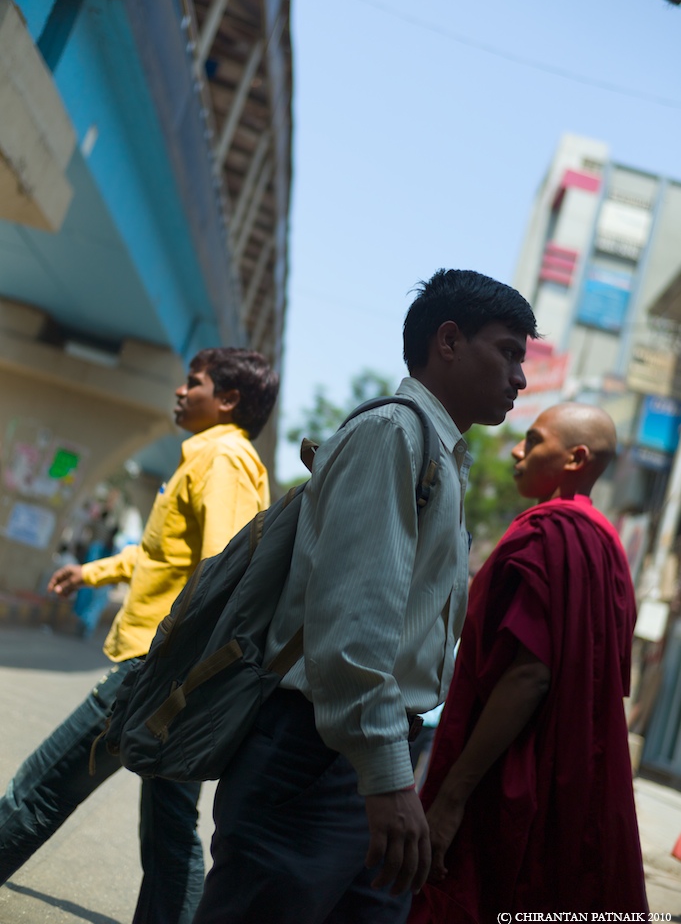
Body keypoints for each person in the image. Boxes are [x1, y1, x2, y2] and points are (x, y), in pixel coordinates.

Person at [192, 268, 538, 924]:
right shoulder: (393, 434)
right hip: (317, 758)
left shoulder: (441, 453)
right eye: (508, 352)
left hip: (365, 756)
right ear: (447, 341)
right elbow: (354, 630)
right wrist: (384, 777)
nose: (519, 377)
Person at [0, 348, 279, 924]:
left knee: (42, 787)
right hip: (173, 670)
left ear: (227, 400)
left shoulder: (223, 458)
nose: (180, 391)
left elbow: (223, 569)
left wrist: (172, 669)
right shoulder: (215, 458)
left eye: (194, 382)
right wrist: (93, 572)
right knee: (171, 832)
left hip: (153, 666)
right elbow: (164, 556)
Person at [411, 403, 648, 923]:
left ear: (575, 457)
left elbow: (528, 673)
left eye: (534, 441)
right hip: (577, 771)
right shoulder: (608, 546)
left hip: (511, 767)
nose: (518, 451)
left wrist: (452, 797)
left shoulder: (544, 533)